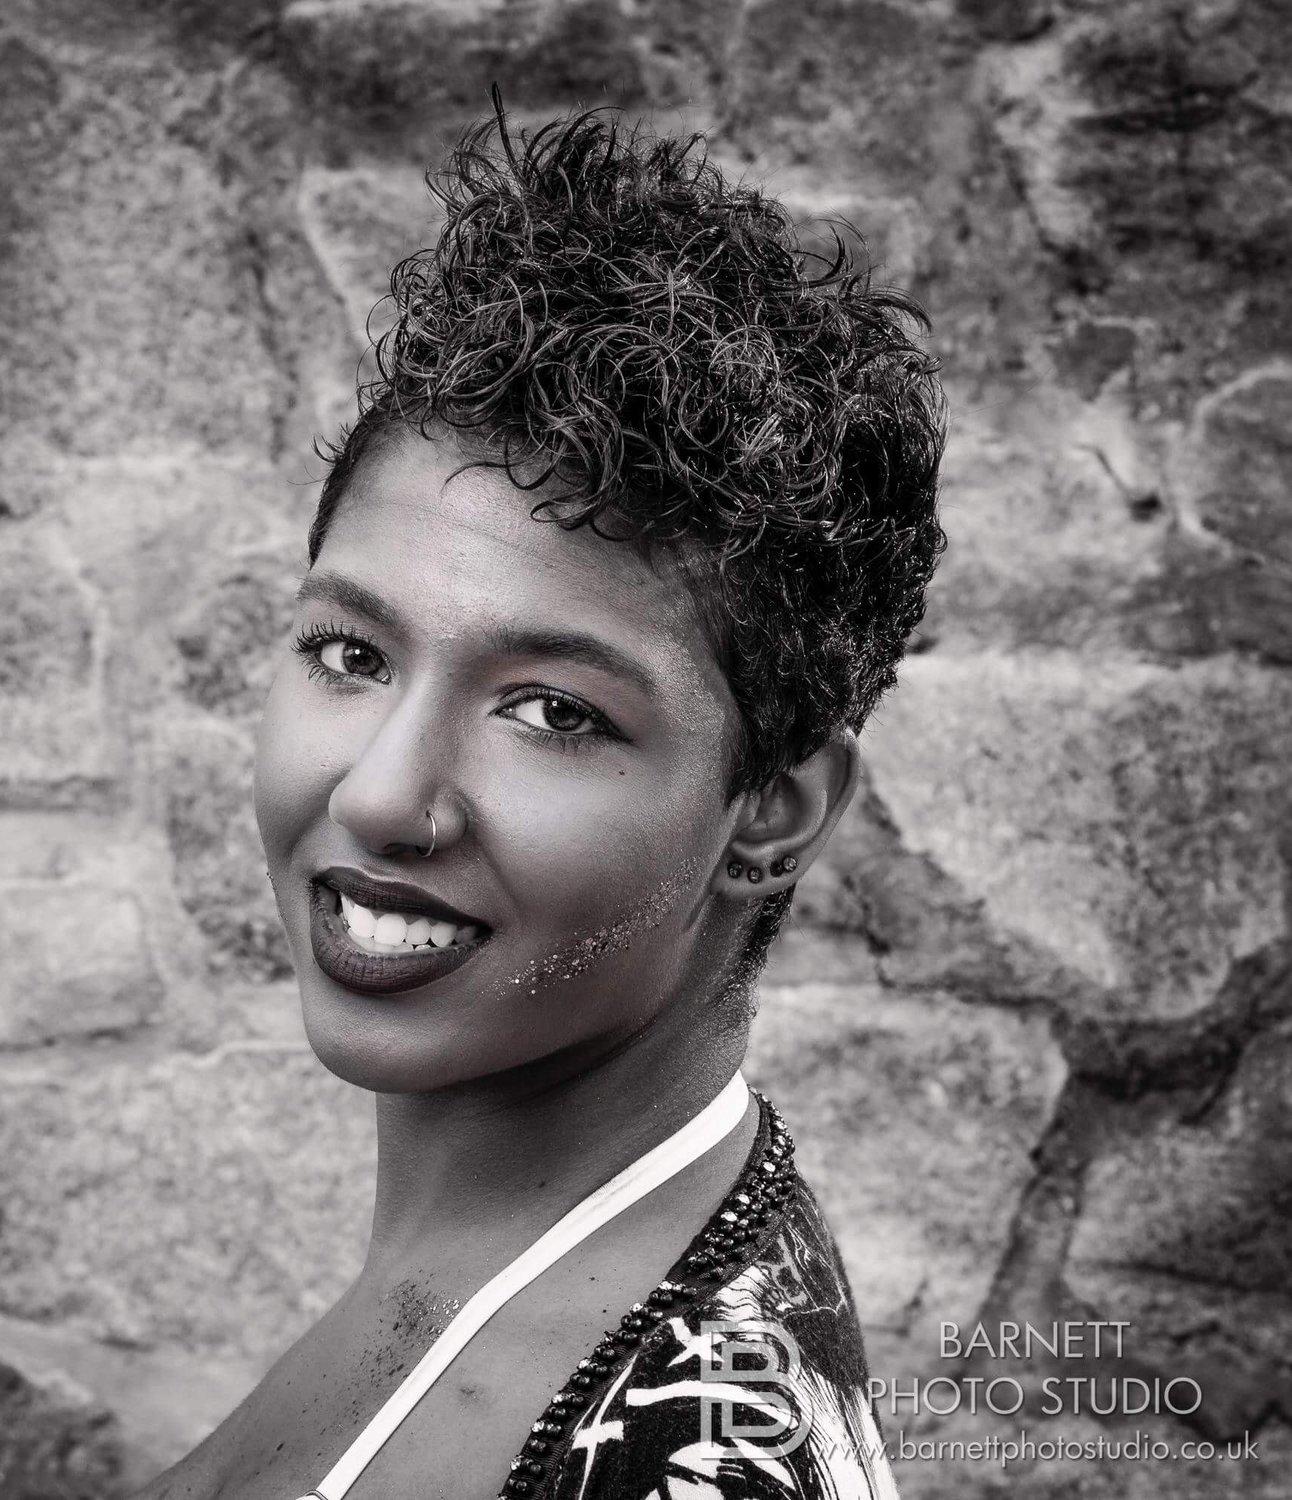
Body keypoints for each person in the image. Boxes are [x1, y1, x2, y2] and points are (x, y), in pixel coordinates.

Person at [137, 92, 945, 1500]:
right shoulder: (511, 1265)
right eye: (353, 652)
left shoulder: (672, 1463)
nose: (387, 795)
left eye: (554, 712)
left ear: (771, 810)